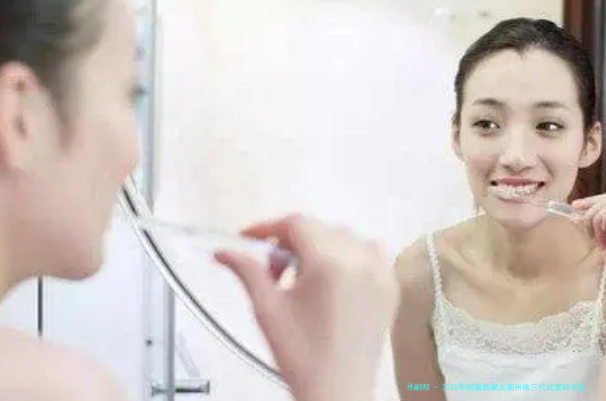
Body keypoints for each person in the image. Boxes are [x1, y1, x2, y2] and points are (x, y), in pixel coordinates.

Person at [0, 0, 400, 401]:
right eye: (130, 93)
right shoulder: (54, 391)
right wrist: (340, 385)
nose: (133, 157)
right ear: (22, 116)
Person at [392, 18, 606, 401]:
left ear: (589, 143)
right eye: (487, 124)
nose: (516, 157)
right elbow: (419, 391)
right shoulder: (418, 276)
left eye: (548, 125)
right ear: (457, 135)